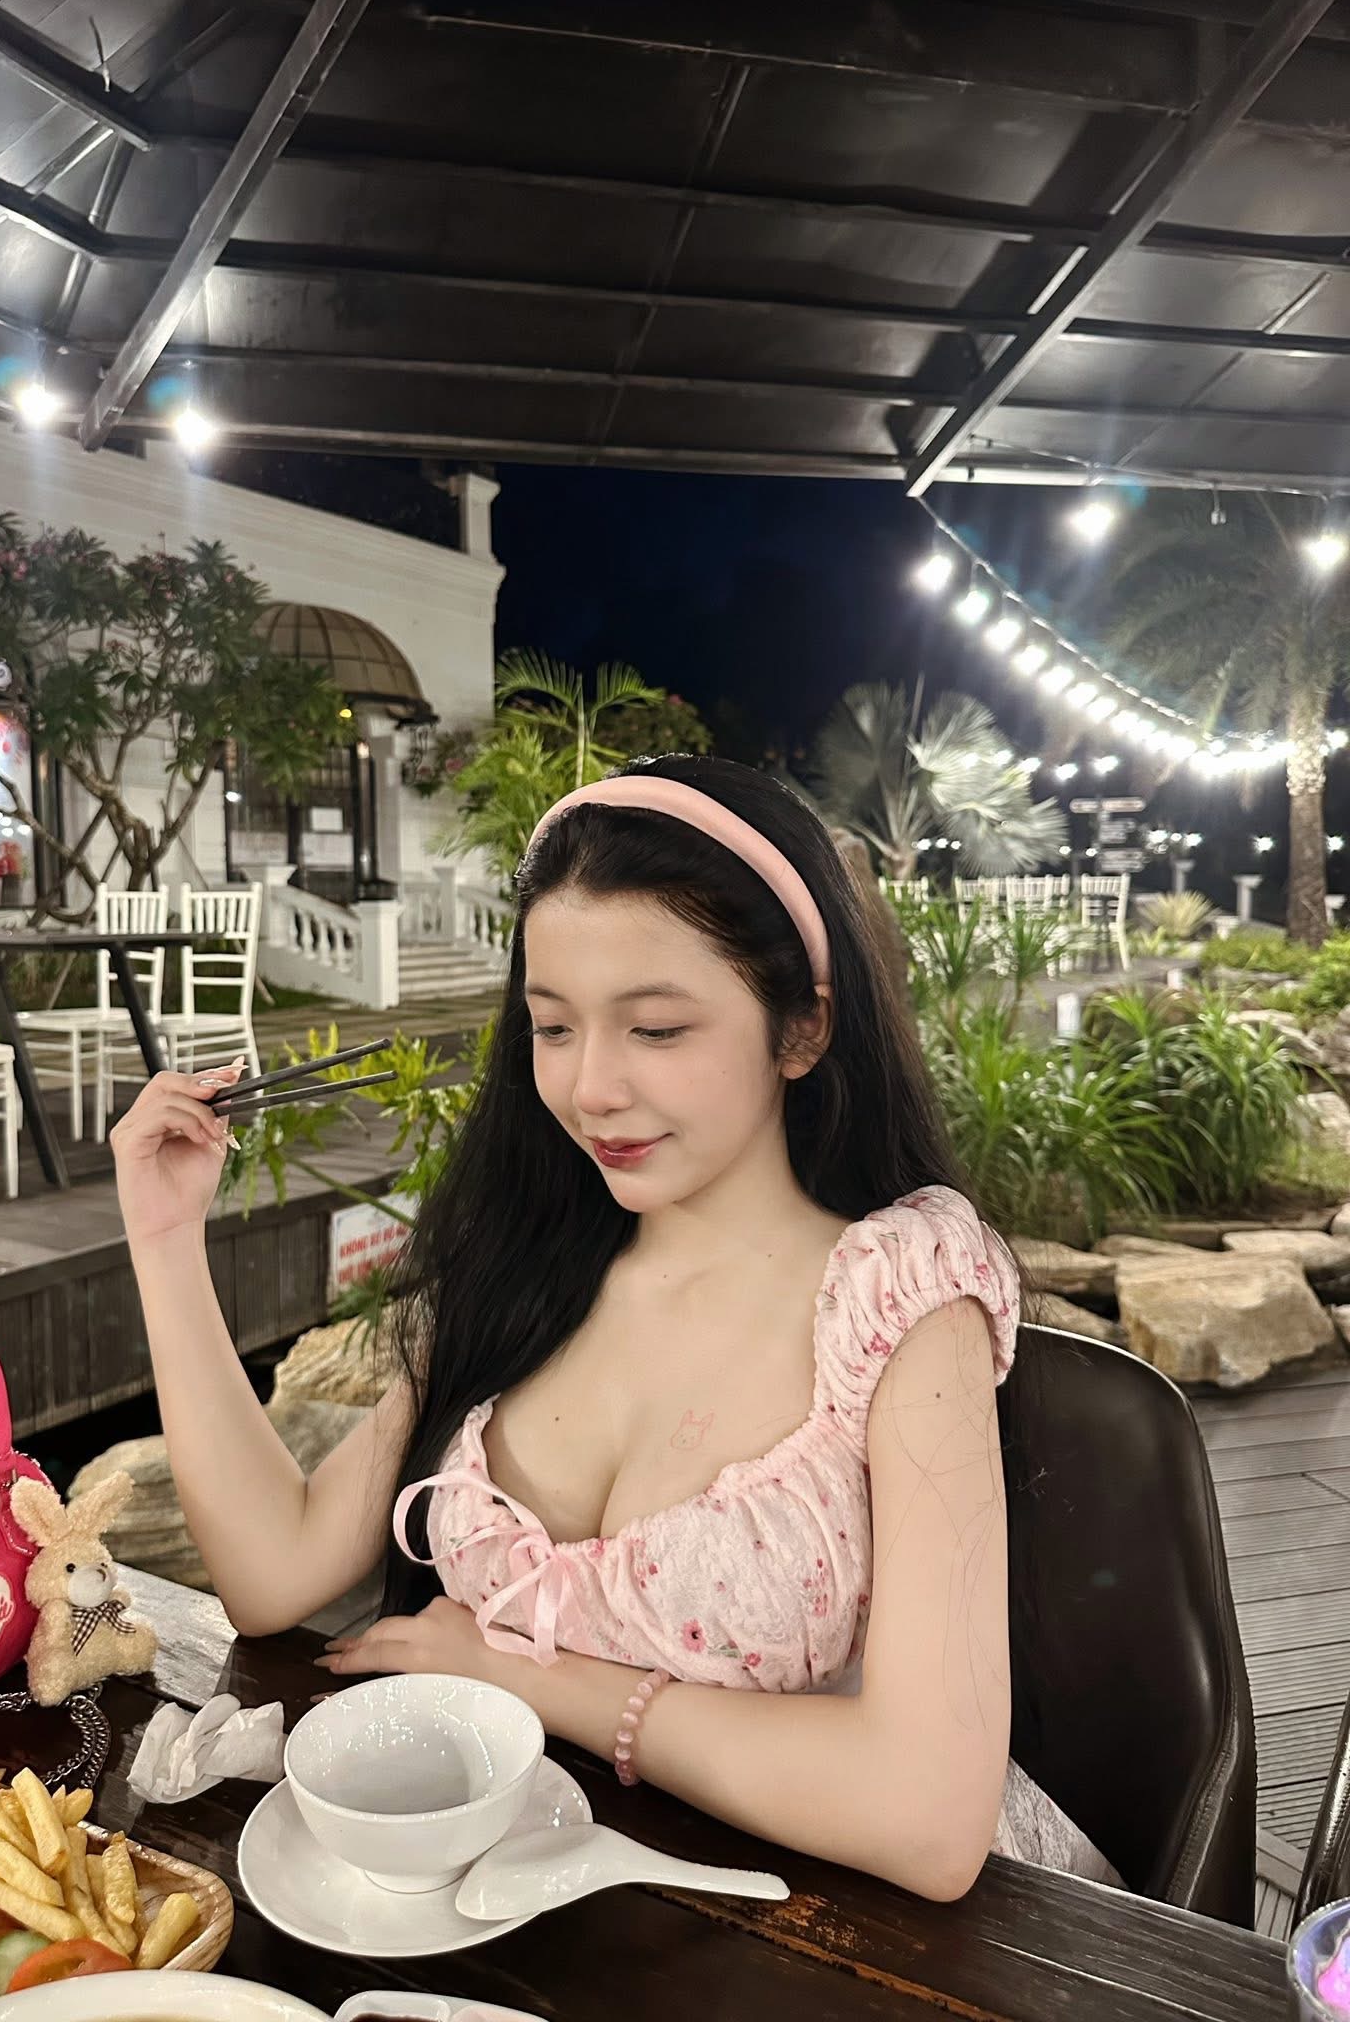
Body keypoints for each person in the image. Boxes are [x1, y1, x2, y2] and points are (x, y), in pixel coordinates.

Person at [112, 756, 1118, 1900]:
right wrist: (165, 1236)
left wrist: (533, 1676)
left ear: (802, 1028)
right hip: (538, 1905)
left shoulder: (899, 1300)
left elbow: (927, 1817)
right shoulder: (520, 1274)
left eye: (655, 1028)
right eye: (553, 1026)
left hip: (867, 1939)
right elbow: (270, 1571)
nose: (590, 1086)